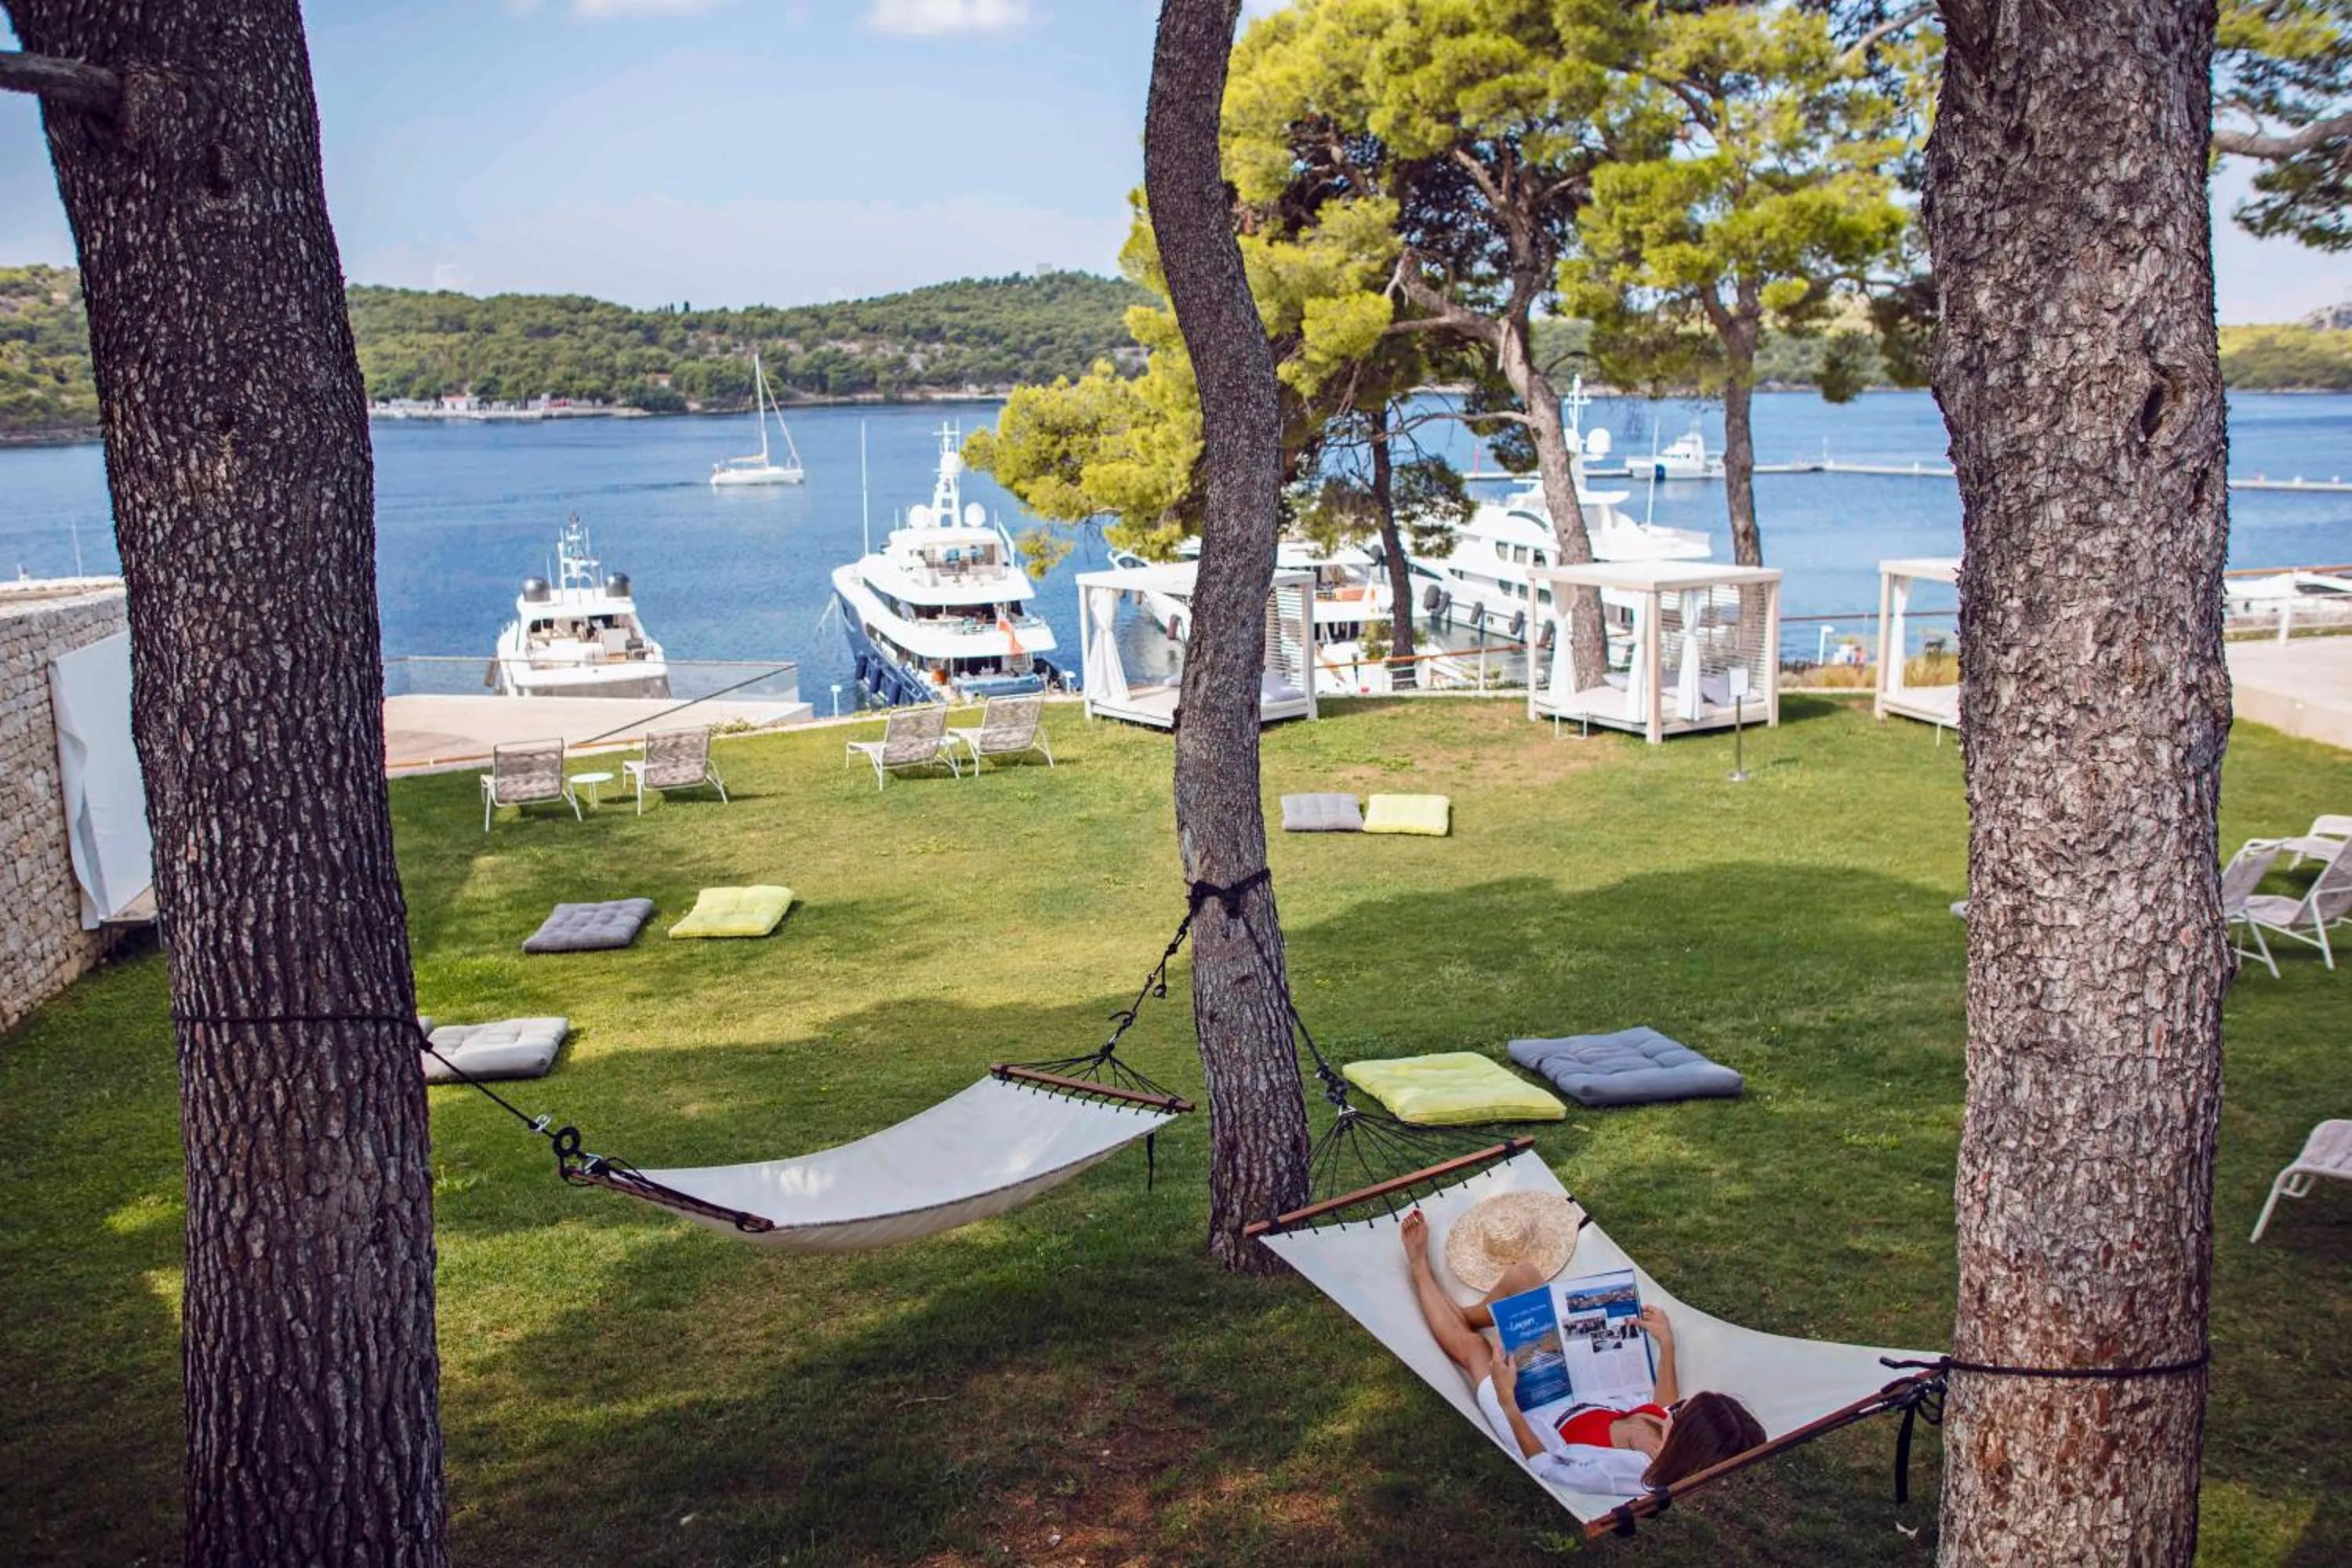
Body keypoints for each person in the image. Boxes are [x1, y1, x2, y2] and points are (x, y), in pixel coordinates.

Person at [1400, 1209, 1765, 1497]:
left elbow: (1545, 1466)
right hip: (1575, 1389)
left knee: (1476, 1348)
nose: (1677, 1407)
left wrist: (1508, 1401)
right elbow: (1663, 1407)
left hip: (1530, 1415)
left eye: (1683, 1413)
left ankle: (1419, 1269)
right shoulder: (1667, 1434)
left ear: (1687, 1441)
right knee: (1524, 1277)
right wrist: (1666, 1345)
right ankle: (1461, 1315)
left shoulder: (1627, 1474)